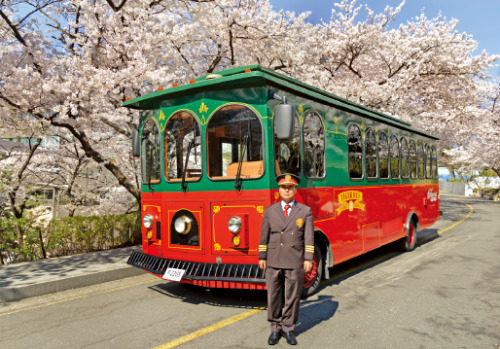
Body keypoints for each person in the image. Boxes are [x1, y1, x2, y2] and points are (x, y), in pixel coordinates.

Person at [259, 173, 314, 346]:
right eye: (284, 187)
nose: (287, 190)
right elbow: (264, 236)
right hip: (274, 258)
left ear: (295, 189)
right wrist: (262, 256)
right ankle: (275, 329)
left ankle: (289, 328)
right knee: (273, 296)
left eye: (290, 187)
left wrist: (308, 258)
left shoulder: (304, 211)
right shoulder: (270, 211)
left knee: (292, 297)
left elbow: (309, 237)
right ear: (279, 190)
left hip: (294, 258)